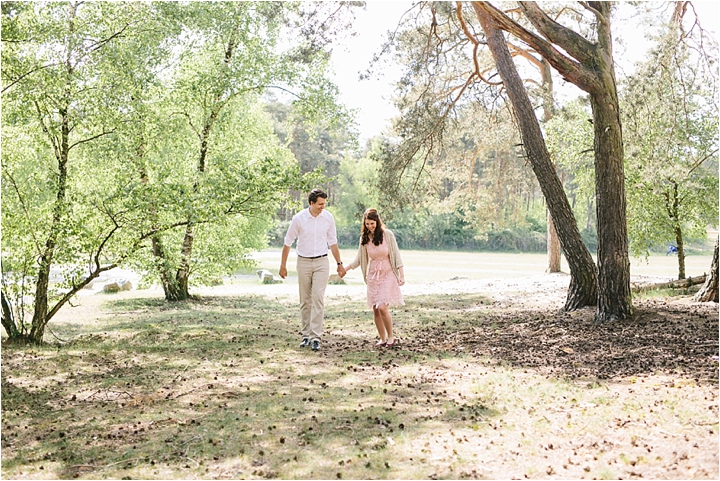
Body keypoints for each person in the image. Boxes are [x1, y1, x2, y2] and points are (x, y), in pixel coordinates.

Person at [280, 188, 346, 351]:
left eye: (324, 204)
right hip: (303, 261)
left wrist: (339, 263)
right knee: (305, 300)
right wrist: (283, 265)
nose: (322, 207)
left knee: (317, 298)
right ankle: (306, 335)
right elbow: (288, 242)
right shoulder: (299, 219)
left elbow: (333, 242)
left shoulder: (328, 218)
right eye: (320, 204)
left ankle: (316, 336)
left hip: (322, 262)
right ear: (311, 203)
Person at [344, 208, 405, 347]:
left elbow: (396, 255)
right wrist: (345, 270)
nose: (370, 226)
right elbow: (359, 259)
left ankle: (391, 337)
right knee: (376, 309)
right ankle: (382, 338)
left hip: (388, 272)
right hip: (373, 276)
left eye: (372, 223)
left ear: (377, 222)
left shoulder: (387, 235)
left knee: (383, 307)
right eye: (367, 224)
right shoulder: (364, 239)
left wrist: (401, 275)